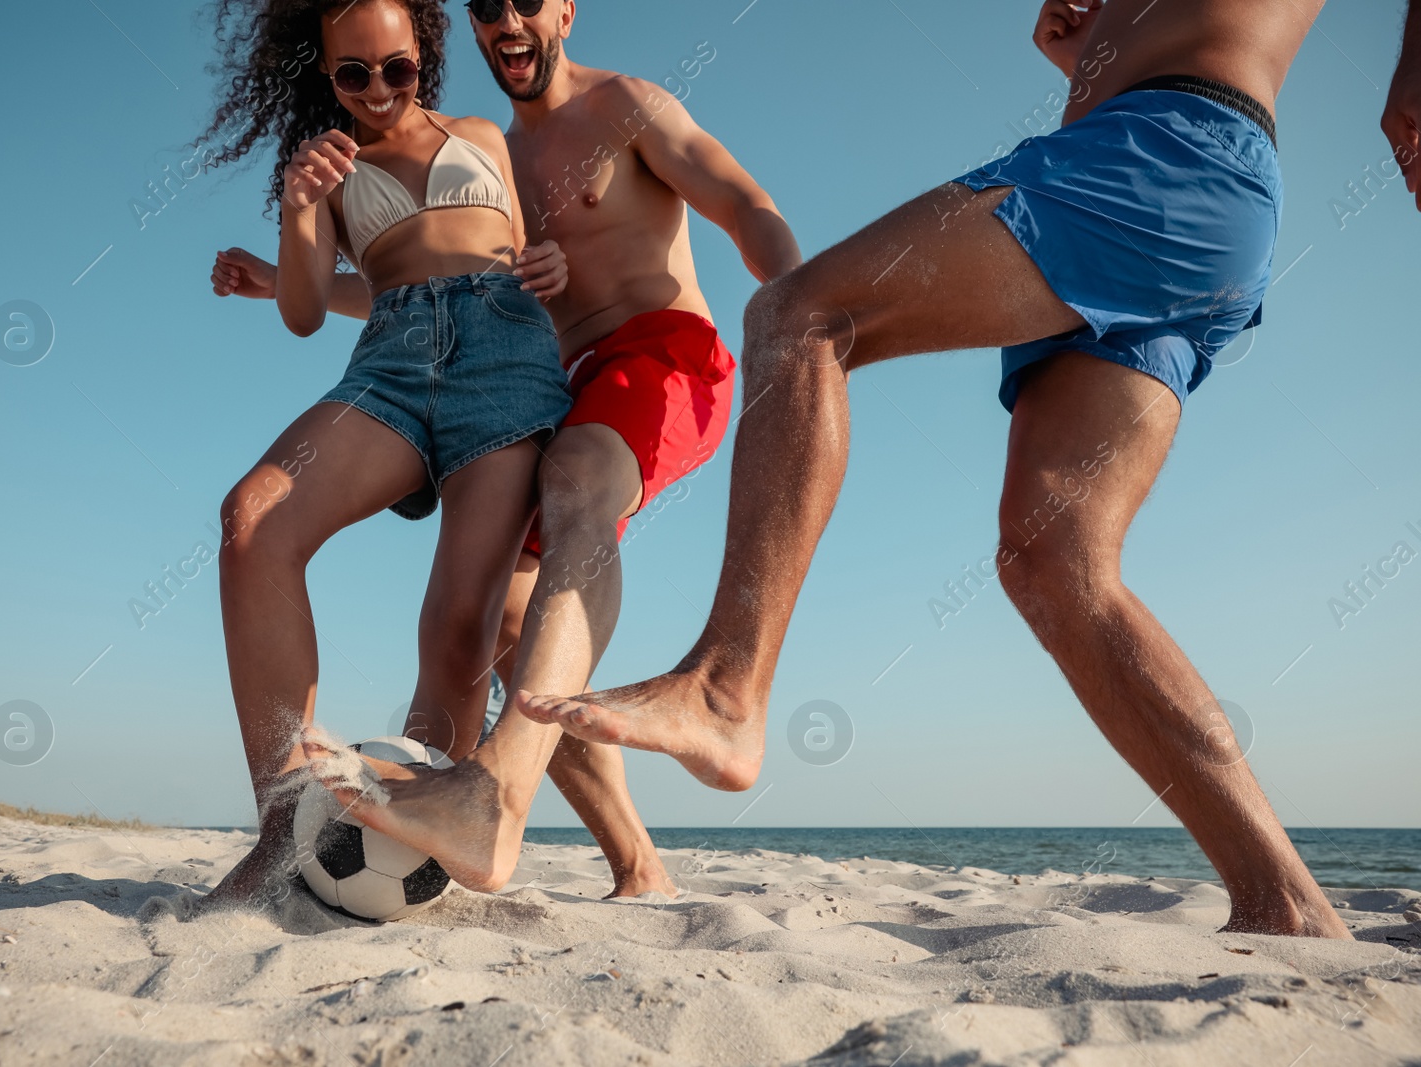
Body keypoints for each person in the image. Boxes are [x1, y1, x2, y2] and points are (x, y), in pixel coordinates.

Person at [517, 0, 1421, 939]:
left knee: (800, 317)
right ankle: (1284, 899)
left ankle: (725, 687)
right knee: (1056, 564)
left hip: (1162, 153)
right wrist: (1088, 45)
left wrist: (1408, 72)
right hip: (1183, 198)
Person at [301, 0, 802, 893]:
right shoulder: (485, 148)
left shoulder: (626, 106)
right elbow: (427, 278)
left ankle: (490, 797)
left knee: (574, 483)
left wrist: (801, 306)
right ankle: (639, 867)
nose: (506, 20)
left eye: (524, 0)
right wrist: (279, 277)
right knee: (507, 625)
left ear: (565, 7)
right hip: (565, 387)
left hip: (664, 352)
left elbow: (742, 201)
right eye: (485, 7)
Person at [196, 0, 583, 910]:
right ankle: (281, 826)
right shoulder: (331, 169)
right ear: (326, 75)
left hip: (506, 358)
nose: (377, 90)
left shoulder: (485, 133)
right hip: (393, 369)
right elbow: (303, 309)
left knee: (460, 627)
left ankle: (422, 849)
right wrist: (297, 209)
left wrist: (554, 269)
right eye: (353, 75)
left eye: (397, 69)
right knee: (251, 521)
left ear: (425, 57)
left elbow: (525, 259)